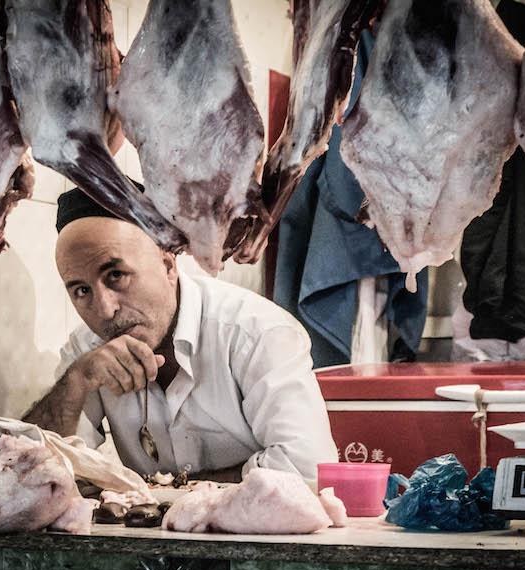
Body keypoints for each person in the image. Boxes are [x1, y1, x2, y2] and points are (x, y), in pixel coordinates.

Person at [23, 187, 339, 487]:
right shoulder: (87, 351)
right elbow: (31, 472)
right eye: (81, 290)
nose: (104, 310)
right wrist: (76, 381)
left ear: (167, 265)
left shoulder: (254, 333)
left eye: (116, 276)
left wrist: (173, 491)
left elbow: (307, 468)